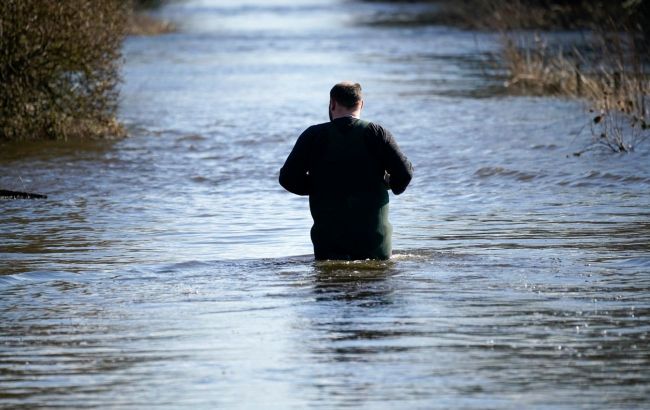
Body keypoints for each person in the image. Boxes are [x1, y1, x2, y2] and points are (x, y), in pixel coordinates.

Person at [279, 81, 413, 260]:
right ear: (361, 104)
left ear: (332, 104)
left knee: (330, 284)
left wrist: (318, 186)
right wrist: (389, 184)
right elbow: (405, 173)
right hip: (374, 242)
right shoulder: (376, 133)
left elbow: (287, 178)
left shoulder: (313, 135)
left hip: (328, 242)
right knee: (376, 281)